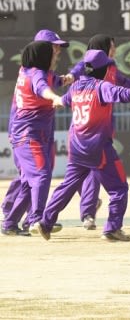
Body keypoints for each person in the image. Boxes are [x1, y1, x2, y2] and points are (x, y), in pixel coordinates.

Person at [31, 50, 130, 242]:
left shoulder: (76, 87)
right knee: (119, 189)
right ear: (104, 69)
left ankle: (45, 222)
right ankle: (112, 228)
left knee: (67, 185)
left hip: (77, 147)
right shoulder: (101, 87)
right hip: (98, 147)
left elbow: (62, 102)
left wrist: (54, 100)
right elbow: (128, 94)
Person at [68, 35, 130, 230]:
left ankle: (87, 210)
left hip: (103, 127)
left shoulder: (111, 68)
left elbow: (126, 82)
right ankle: (87, 212)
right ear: (103, 48)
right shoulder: (87, 66)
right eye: (112, 47)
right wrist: (68, 77)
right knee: (87, 173)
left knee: (92, 173)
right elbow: (74, 72)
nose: (115, 50)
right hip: (83, 129)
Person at [2, 29, 71, 234]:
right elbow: (43, 88)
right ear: (42, 50)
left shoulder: (34, 71)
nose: (58, 51)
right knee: (40, 175)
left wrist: (71, 77)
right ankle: (35, 219)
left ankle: (10, 223)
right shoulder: (36, 74)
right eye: (55, 46)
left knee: (30, 180)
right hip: (28, 134)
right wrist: (55, 98)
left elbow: (54, 80)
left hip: (37, 133)